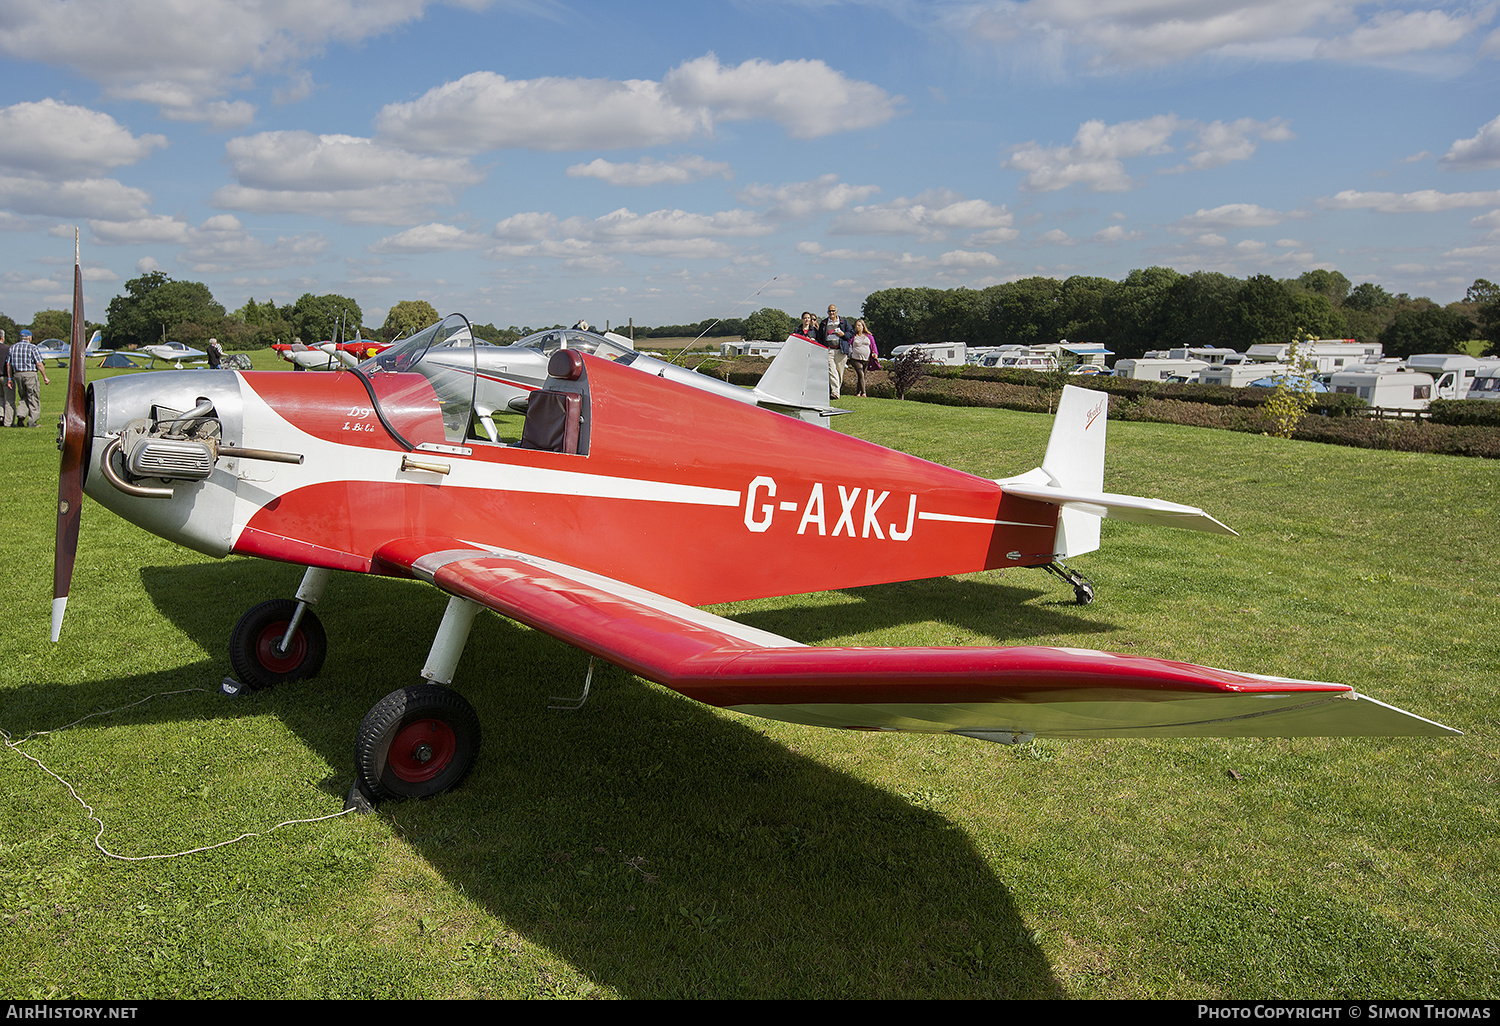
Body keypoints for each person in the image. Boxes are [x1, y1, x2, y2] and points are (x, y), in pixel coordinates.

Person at [8, 328, 49, 427]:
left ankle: (21, 415)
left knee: (23, 396)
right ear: (29, 337)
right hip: (30, 374)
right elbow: (39, 363)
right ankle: (32, 422)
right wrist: (45, 376)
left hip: (17, 374)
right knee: (33, 397)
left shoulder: (13, 347)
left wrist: (10, 378)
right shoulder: (32, 347)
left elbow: (8, 364)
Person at [819, 304, 854, 400]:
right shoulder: (824, 323)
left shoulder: (843, 322)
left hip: (841, 350)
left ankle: (836, 391)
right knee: (832, 371)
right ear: (827, 312)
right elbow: (820, 338)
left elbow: (851, 333)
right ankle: (835, 392)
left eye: (833, 311)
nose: (831, 313)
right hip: (829, 350)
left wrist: (843, 334)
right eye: (830, 311)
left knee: (839, 372)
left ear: (836, 311)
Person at [847, 318, 875, 398]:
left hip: (866, 359)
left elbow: (873, 346)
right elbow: (849, 344)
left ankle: (858, 392)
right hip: (855, 358)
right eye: (856, 326)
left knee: (862, 376)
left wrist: (875, 353)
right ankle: (864, 392)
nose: (857, 327)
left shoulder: (869, 336)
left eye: (859, 325)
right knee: (860, 373)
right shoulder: (854, 336)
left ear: (863, 326)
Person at [0, 330, 12, 427]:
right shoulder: (8, 348)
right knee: (9, 400)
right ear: (2, 337)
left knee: (0, 398)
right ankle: (8, 421)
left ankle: (0, 416)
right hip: (5, 376)